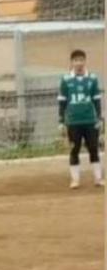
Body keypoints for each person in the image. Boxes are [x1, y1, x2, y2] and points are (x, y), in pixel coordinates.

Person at [58, 49, 103, 188]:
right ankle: (75, 180)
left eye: (81, 60)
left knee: (94, 149)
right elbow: (62, 101)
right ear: (72, 62)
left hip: (90, 120)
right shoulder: (66, 80)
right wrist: (61, 122)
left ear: (85, 61)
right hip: (73, 121)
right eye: (76, 60)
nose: (79, 63)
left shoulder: (93, 78)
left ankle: (98, 179)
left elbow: (96, 100)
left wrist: (99, 118)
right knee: (74, 150)